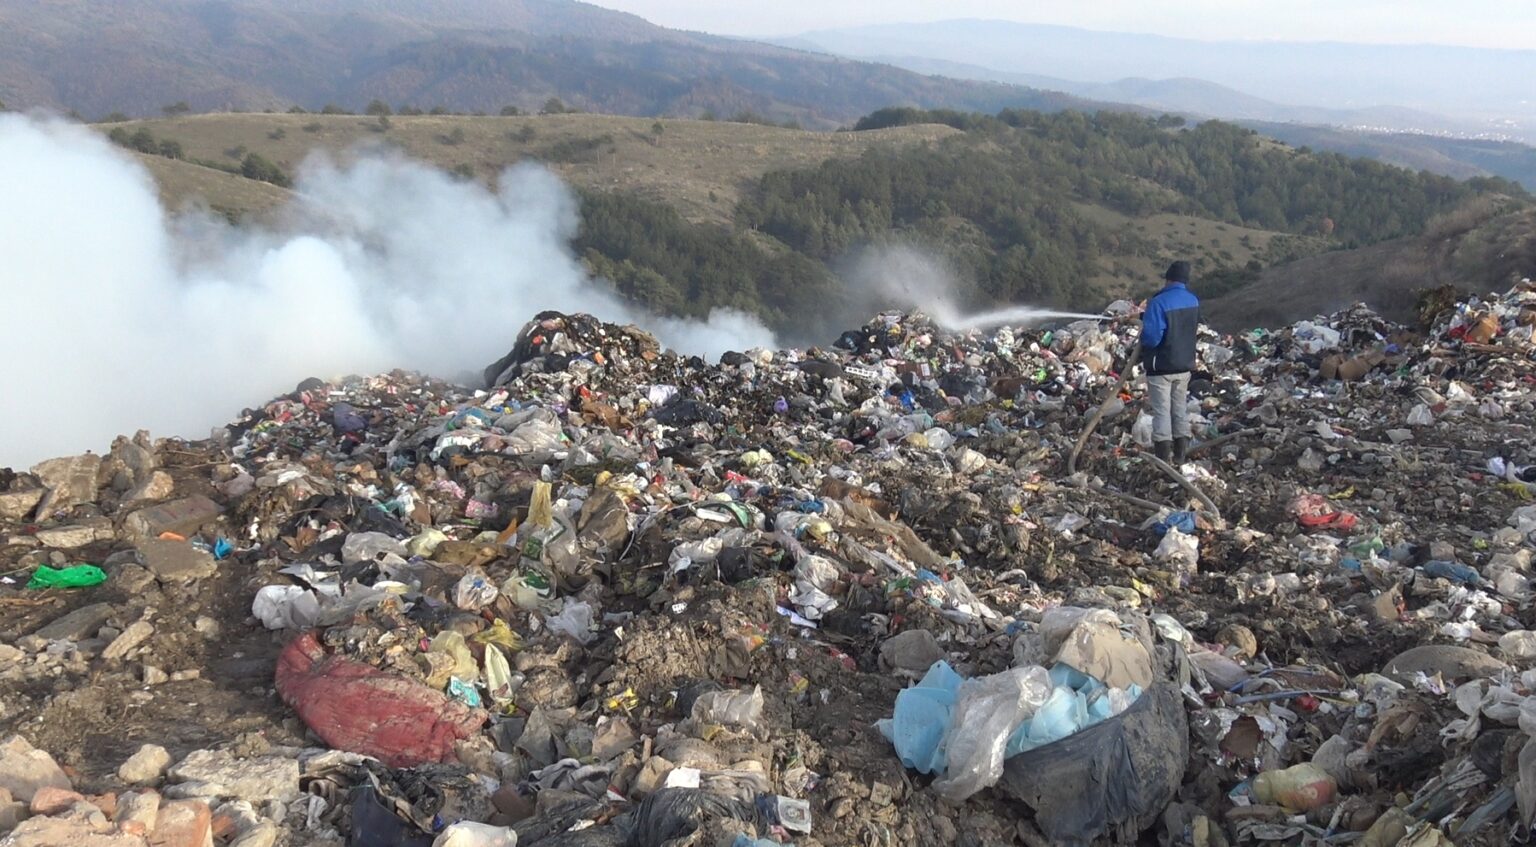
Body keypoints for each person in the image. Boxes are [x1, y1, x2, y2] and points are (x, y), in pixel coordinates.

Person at [1140, 261, 1200, 464]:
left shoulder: (1158, 302)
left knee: (1162, 412)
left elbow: (1151, 338)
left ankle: (1163, 461)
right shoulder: (1193, 300)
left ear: (1168, 278)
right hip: (1184, 366)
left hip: (1162, 368)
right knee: (1179, 410)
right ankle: (1181, 456)